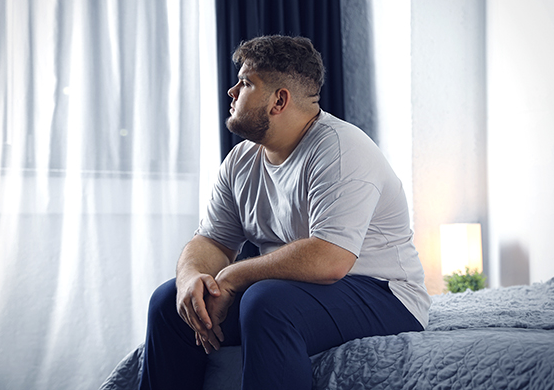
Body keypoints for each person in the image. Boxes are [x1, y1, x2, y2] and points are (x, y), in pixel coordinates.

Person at [138, 35, 430, 390]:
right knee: (170, 304)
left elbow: (329, 259)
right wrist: (189, 280)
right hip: (295, 291)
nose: (232, 91)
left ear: (279, 100)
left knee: (268, 301)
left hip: (384, 294)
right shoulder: (241, 161)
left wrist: (231, 277)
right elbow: (212, 240)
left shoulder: (340, 150)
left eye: (245, 83)